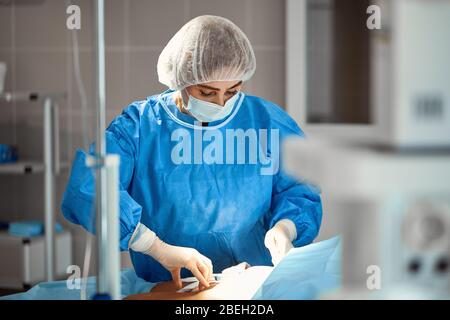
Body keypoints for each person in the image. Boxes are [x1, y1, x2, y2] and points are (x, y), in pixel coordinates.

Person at [61, 15, 322, 290]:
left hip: (251, 287)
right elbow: (89, 188)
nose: (221, 103)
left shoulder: (266, 121)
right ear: (182, 77)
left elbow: (300, 189)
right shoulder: (140, 127)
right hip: (170, 287)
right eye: (208, 93)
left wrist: (284, 228)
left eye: (232, 91)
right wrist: (155, 246)